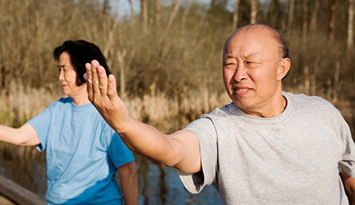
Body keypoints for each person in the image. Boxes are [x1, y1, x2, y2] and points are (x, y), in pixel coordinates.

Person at [84, 24, 355, 204]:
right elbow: (171, 149)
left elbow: (348, 176)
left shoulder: (323, 113)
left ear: (281, 68)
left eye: (250, 63)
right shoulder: (217, 129)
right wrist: (125, 124)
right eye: (229, 63)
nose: (238, 75)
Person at [0, 40, 138, 205]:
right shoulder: (57, 110)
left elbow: (128, 171)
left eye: (65, 70)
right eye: (59, 70)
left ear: (83, 70)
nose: (60, 77)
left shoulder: (107, 116)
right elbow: (19, 136)